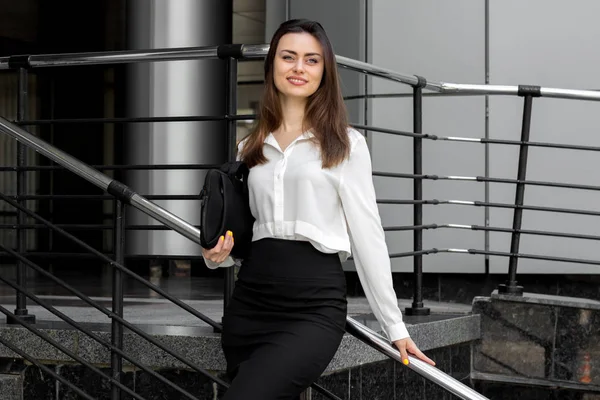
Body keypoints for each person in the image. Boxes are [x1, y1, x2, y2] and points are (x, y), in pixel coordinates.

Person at [202, 18, 435, 400]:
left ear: (324, 71)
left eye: (311, 60)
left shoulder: (345, 144)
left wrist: (395, 326)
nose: (298, 68)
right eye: (288, 57)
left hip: (312, 307)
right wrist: (216, 258)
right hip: (250, 303)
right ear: (272, 65)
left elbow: (367, 236)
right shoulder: (249, 147)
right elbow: (245, 236)